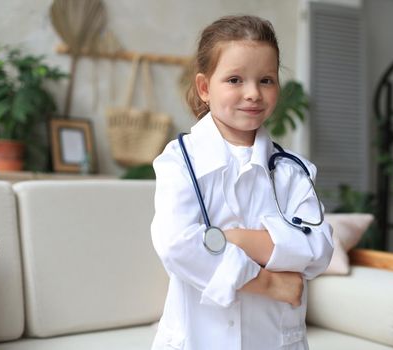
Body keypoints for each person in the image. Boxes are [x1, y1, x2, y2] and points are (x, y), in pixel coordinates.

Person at [151, 15, 333, 350]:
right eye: (234, 80)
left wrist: (235, 239)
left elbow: (318, 248)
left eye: (266, 80)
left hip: (273, 338)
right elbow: (177, 246)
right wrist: (267, 283)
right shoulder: (180, 160)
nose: (253, 93)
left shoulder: (293, 171)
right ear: (205, 88)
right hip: (198, 338)